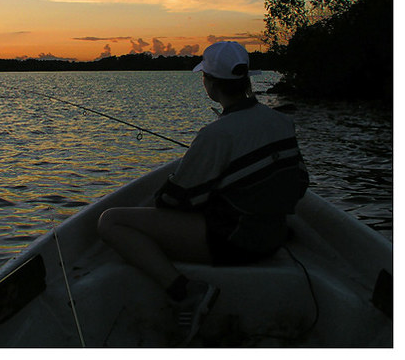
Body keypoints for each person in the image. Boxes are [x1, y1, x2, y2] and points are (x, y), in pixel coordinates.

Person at [97, 41, 309, 344]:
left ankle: (187, 292)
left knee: (110, 221)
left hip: (238, 242)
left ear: (211, 84)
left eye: (204, 77)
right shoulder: (281, 121)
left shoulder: (216, 135)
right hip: (274, 236)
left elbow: (174, 201)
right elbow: (300, 183)